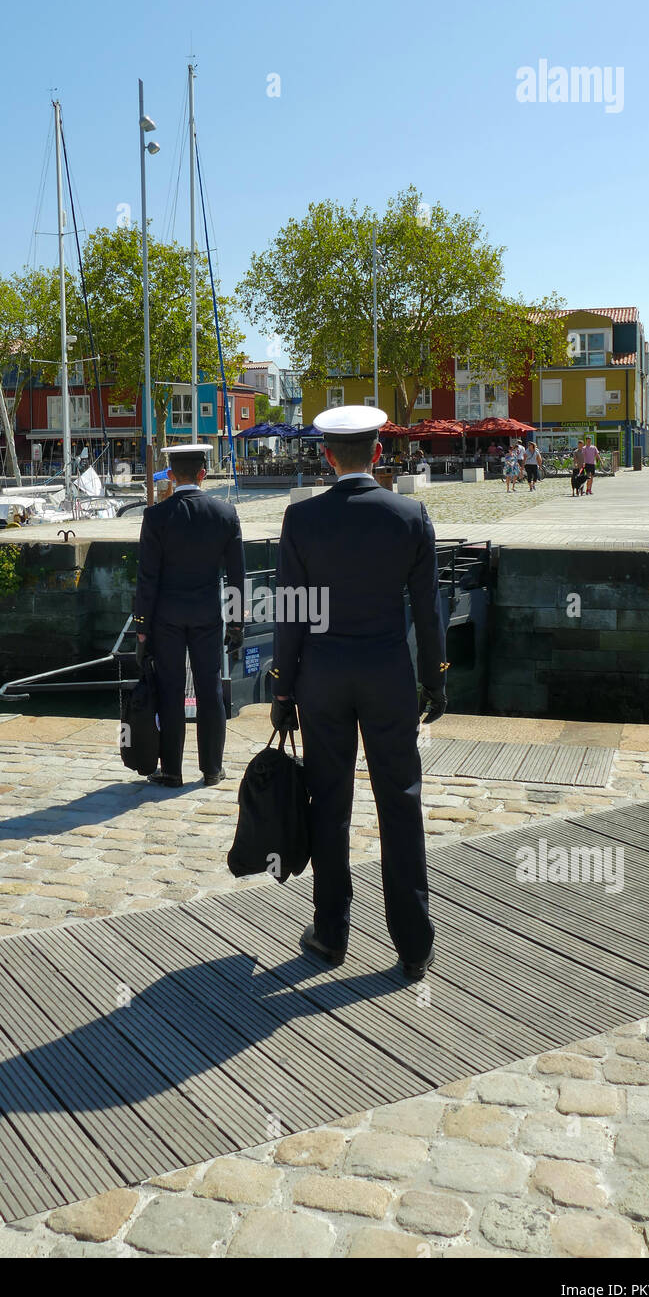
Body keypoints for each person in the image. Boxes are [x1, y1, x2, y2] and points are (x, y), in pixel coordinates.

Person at [271, 405, 448, 982]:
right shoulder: (409, 515)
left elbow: (290, 615)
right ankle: (414, 944)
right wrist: (436, 679)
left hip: (322, 678)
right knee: (401, 803)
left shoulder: (302, 520)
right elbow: (428, 610)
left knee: (330, 804)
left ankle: (330, 934)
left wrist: (282, 689)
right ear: (377, 453)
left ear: (327, 456)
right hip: (389, 677)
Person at [133, 443, 245, 788]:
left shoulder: (155, 516)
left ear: (170, 475)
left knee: (170, 691)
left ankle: (172, 771)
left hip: (165, 617)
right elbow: (236, 574)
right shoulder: (225, 514)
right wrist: (237, 621)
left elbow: (147, 577)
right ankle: (212, 768)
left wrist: (141, 627)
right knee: (210, 688)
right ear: (203, 474)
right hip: (207, 615)